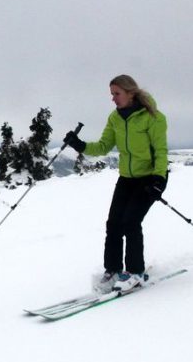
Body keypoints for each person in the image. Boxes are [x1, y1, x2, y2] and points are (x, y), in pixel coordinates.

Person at [63, 74, 169, 292]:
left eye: (116, 94)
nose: (113, 98)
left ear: (130, 93)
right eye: (111, 94)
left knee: (130, 222)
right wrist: (79, 145)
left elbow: (160, 151)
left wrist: (159, 179)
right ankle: (112, 270)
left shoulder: (153, 117)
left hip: (150, 178)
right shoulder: (115, 118)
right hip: (127, 178)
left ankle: (135, 272)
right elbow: (103, 146)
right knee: (113, 224)